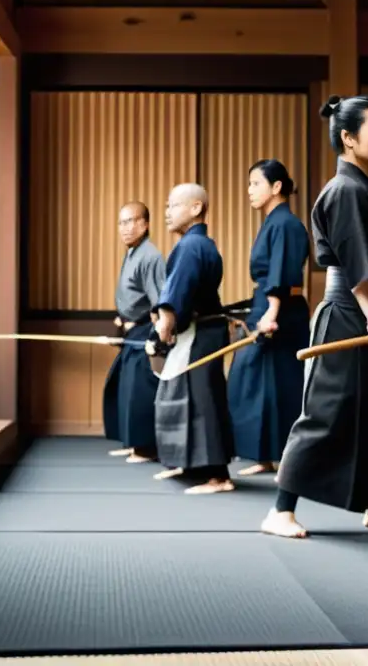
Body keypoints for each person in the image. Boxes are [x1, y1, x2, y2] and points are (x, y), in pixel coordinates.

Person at [262, 95, 368, 539]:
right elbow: (354, 261)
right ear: (348, 138)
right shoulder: (345, 189)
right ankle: (280, 509)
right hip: (348, 312)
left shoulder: (361, 185)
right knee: (328, 412)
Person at [227, 160, 311, 477]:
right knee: (260, 384)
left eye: (255, 183)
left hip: (280, 312)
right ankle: (265, 456)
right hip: (268, 305)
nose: (249, 190)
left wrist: (272, 313)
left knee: (279, 383)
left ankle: (288, 458)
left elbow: (281, 270)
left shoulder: (285, 224)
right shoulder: (273, 222)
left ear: (276, 187)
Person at [151, 183, 235, 495]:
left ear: (196, 208)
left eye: (172, 205)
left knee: (203, 401)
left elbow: (176, 295)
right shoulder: (201, 245)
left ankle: (218, 475)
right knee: (191, 397)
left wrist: (164, 325)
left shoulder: (190, 247)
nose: (167, 212)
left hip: (201, 333)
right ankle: (190, 464)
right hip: (203, 331)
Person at [102, 202, 166, 463]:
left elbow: (159, 300)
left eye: (131, 221)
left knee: (141, 390)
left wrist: (157, 334)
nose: (125, 228)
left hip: (144, 331)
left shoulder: (150, 256)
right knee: (124, 388)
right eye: (122, 222)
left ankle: (146, 447)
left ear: (145, 224)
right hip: (130, 330)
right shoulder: (131, 253)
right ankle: (132, 443)